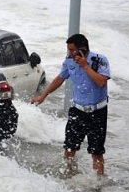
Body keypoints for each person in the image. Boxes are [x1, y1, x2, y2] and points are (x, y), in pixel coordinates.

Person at [31, 34, 111, 176]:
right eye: (68, 50)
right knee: (69, 148)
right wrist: (43, 95)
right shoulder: (69, 62)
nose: (70, 53)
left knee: (96, 152)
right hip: (77, 110)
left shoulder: (100, 60)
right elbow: (59, 79)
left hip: (97, 112)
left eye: (72, 50)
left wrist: (85, 66)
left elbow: (101, 82)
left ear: (83, 48)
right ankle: (69, 176)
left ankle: (98, 185)